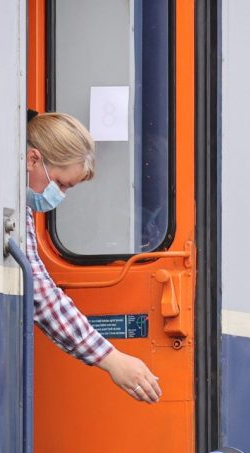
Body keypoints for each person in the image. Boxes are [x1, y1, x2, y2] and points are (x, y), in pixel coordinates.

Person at [24, 112, 161, 404]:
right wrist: (112, 359)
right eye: (61, 184)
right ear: (32, 160)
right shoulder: (11, 204)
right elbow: (40, 293)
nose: (59, 195)